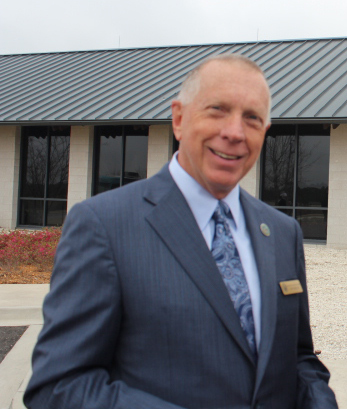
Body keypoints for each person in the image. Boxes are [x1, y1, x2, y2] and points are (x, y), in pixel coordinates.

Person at [24, 55, 338, 409]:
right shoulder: (103, 226)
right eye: (217, 109)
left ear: (264, 131)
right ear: (178, 118)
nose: (234, 132)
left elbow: (297, 359)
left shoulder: (282, 233)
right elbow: (59, 386)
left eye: (252, 118)